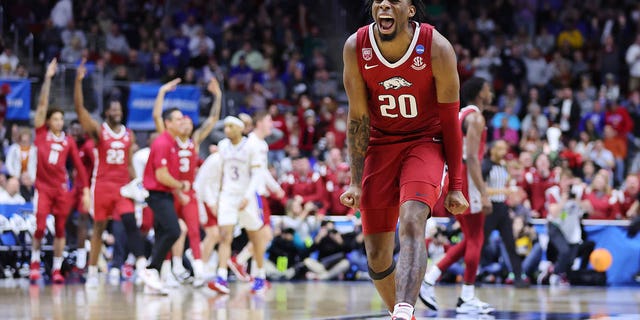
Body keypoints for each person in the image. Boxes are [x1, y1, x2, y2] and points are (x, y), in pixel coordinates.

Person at [339, 2, 469, 319]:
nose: (384, 3)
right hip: (380, 146)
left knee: (412, 220)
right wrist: (355, 181)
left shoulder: (436, 47)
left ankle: (403, 308)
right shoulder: (356, 47)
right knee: (378, 257)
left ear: (410, 10)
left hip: (425, 142)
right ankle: (404, 315)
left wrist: (456, 184)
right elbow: (357, 119)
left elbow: (451, 122)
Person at [74, 59, 160, 290]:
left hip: (122, 186)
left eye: (119, 110)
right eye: (113, 110)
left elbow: (130, 163)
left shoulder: (129, 134)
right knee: (100, 228)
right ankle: (92, 271)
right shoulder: (98, 131)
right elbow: (80, 110)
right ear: (107, 113)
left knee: (131, 223)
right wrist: (78, 83)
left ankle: (142, 267)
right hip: (102, 186)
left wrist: (136, 183)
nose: (117, 112)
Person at [419, 77, 495, 314]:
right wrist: (483, 193)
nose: (490, 92)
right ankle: (467, 296)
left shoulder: (461, 114)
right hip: (466, 178)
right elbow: (472, 157)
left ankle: (431, 277)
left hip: (453, 176)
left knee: (470, 238)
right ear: (480, 94)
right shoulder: (476, 118)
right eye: (487, 89)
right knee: (476, 238)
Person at [151, 77, 221, 286]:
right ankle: (170, 270)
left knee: (192, 229)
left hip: (189, 192)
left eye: (189, 122)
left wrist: (217, 95)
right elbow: (157, 115)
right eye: (182, 121)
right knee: (171, 231)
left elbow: (212, 119)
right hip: (171, 191)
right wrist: (162, 93)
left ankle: (198, 269)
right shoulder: (168, 139)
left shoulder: (195, 141)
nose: (186, 124)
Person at [30, 58, 89, 284]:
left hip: (61, 189)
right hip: (43, 188)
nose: (59, 121)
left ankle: (56, 268)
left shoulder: (68, 141)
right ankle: (34, 262)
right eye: (55, 118)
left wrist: (85, 191)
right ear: (48, 121)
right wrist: (47, 78)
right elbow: (43, 105)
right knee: (40, 226)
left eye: (61, 118)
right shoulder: (40, 135)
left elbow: (79, 167)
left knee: (61, 229)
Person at [208, 116, 272, 295]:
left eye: (231, 126)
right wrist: (216, 197)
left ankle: (260, 275)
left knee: (256, 237)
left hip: (246, 197)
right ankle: (221, 276)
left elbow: (258, 173)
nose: (227, 129)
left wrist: (248, 195)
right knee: (224, 236)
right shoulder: (222, 145)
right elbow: (220, 172)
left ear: (240, 129)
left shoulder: (252, 146)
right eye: (226, 126)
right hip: (228, 196)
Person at [142, 105, 190, 295]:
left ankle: (154, 278)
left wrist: (179, 193)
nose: (182, 121)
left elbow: (171, 174)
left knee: (163, 233)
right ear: (168, 123)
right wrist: (181, 186)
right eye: (178, 119)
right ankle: (151, 268)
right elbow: (162, 176)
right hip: (157, 195)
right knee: (173, 230)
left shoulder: (172, 143)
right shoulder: (162, 143)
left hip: (166, 194)